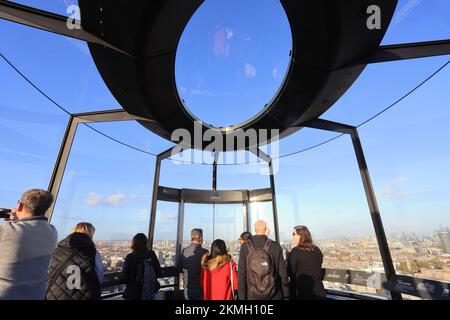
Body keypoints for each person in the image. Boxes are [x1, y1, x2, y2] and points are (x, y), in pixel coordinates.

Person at [0, 189, 58, 300]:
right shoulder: (52, 232)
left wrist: (12, 222)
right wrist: (17, 222)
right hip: (36, 295)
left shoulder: (6, 230)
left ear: (20, 205)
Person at [46, 222, 103, 300]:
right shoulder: (94, 254)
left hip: (54, 295)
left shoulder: (55, 251)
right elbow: (99, 277)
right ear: (90, 234)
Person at [238, 220, 289, 300]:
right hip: (274, 295)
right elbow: (283, 274)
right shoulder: (275, 246)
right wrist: (286, 295)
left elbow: (241, 275)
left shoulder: (245, 247)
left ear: (255, 230)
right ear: (266, 229)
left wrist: (242, 297)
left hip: (252, 296)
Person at [287, 225, 326, 300]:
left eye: (294, 234)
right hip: (318, 292)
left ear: (301, 235)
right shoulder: (317, 250)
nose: (292, 236)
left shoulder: (295, 252)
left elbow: (291, 272)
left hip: (302, 293)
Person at [121, 233, 162, 300]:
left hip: (134, 293)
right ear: (146, 243)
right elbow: (158, 271)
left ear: (134, 243)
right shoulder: (151, 254)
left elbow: (124, 277)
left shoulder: (130, 257)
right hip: (150, 291)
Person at [179, 228, 208, 300]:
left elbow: (179, 268)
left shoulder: (184, 251)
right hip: (200, 286)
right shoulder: (205, 252)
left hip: (187, 286)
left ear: (191, 237)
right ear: (201, 238)